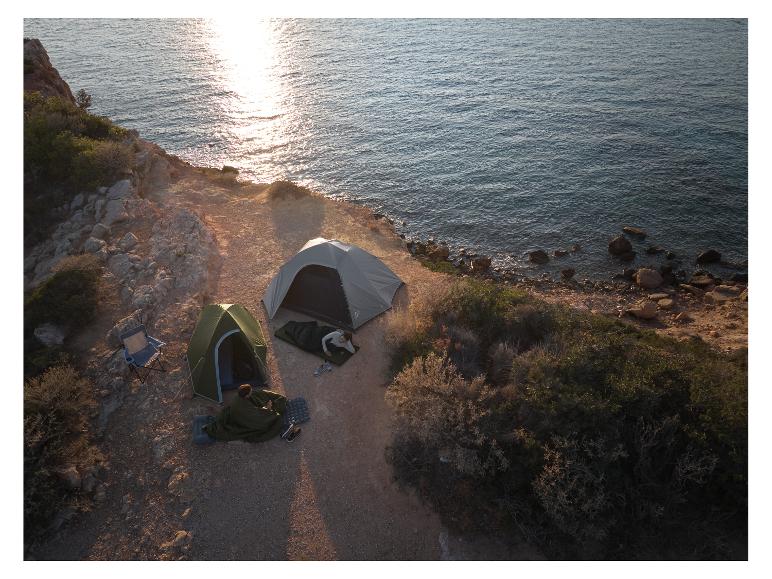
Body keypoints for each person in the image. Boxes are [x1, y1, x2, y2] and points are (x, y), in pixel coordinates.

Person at [203, 384, 288, 443]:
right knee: (277, 418)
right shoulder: (246, 409)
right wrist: (269, 409)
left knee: (258, 396)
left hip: (236, 415)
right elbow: (258, 418)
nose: (252, 392)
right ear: (246, 395)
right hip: (242, 421)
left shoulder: (237, 396)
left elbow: (253, 402)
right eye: (250, 391)